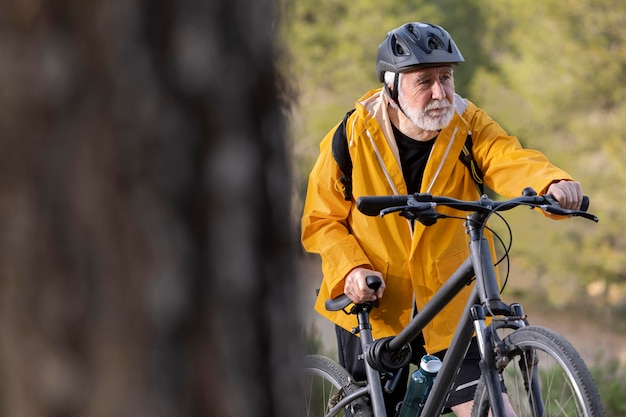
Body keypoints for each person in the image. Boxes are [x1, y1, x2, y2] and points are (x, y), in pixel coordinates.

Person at [301, 21, 583, 417]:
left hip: (450, 304)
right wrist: (351, 269)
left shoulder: (467, 125)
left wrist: (550, 181)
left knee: (490, 408)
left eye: (446, 77)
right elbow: (320, 219)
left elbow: (506, 157)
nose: (440, 92)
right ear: (392, 85)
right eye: (424, 81)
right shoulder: (351, 136)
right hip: (378, 302)